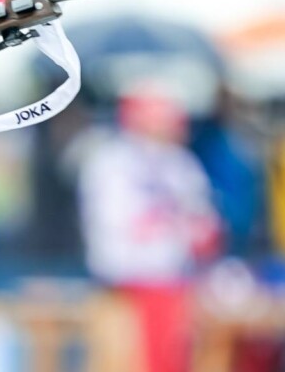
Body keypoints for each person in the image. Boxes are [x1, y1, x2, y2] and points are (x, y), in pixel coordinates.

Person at [77, 83, 220, 372]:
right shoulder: (111, 161)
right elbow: (113, 225)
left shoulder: (181, 164)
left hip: (175, 284)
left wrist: (191, 230)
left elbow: (205, 225)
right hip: (123, 287)